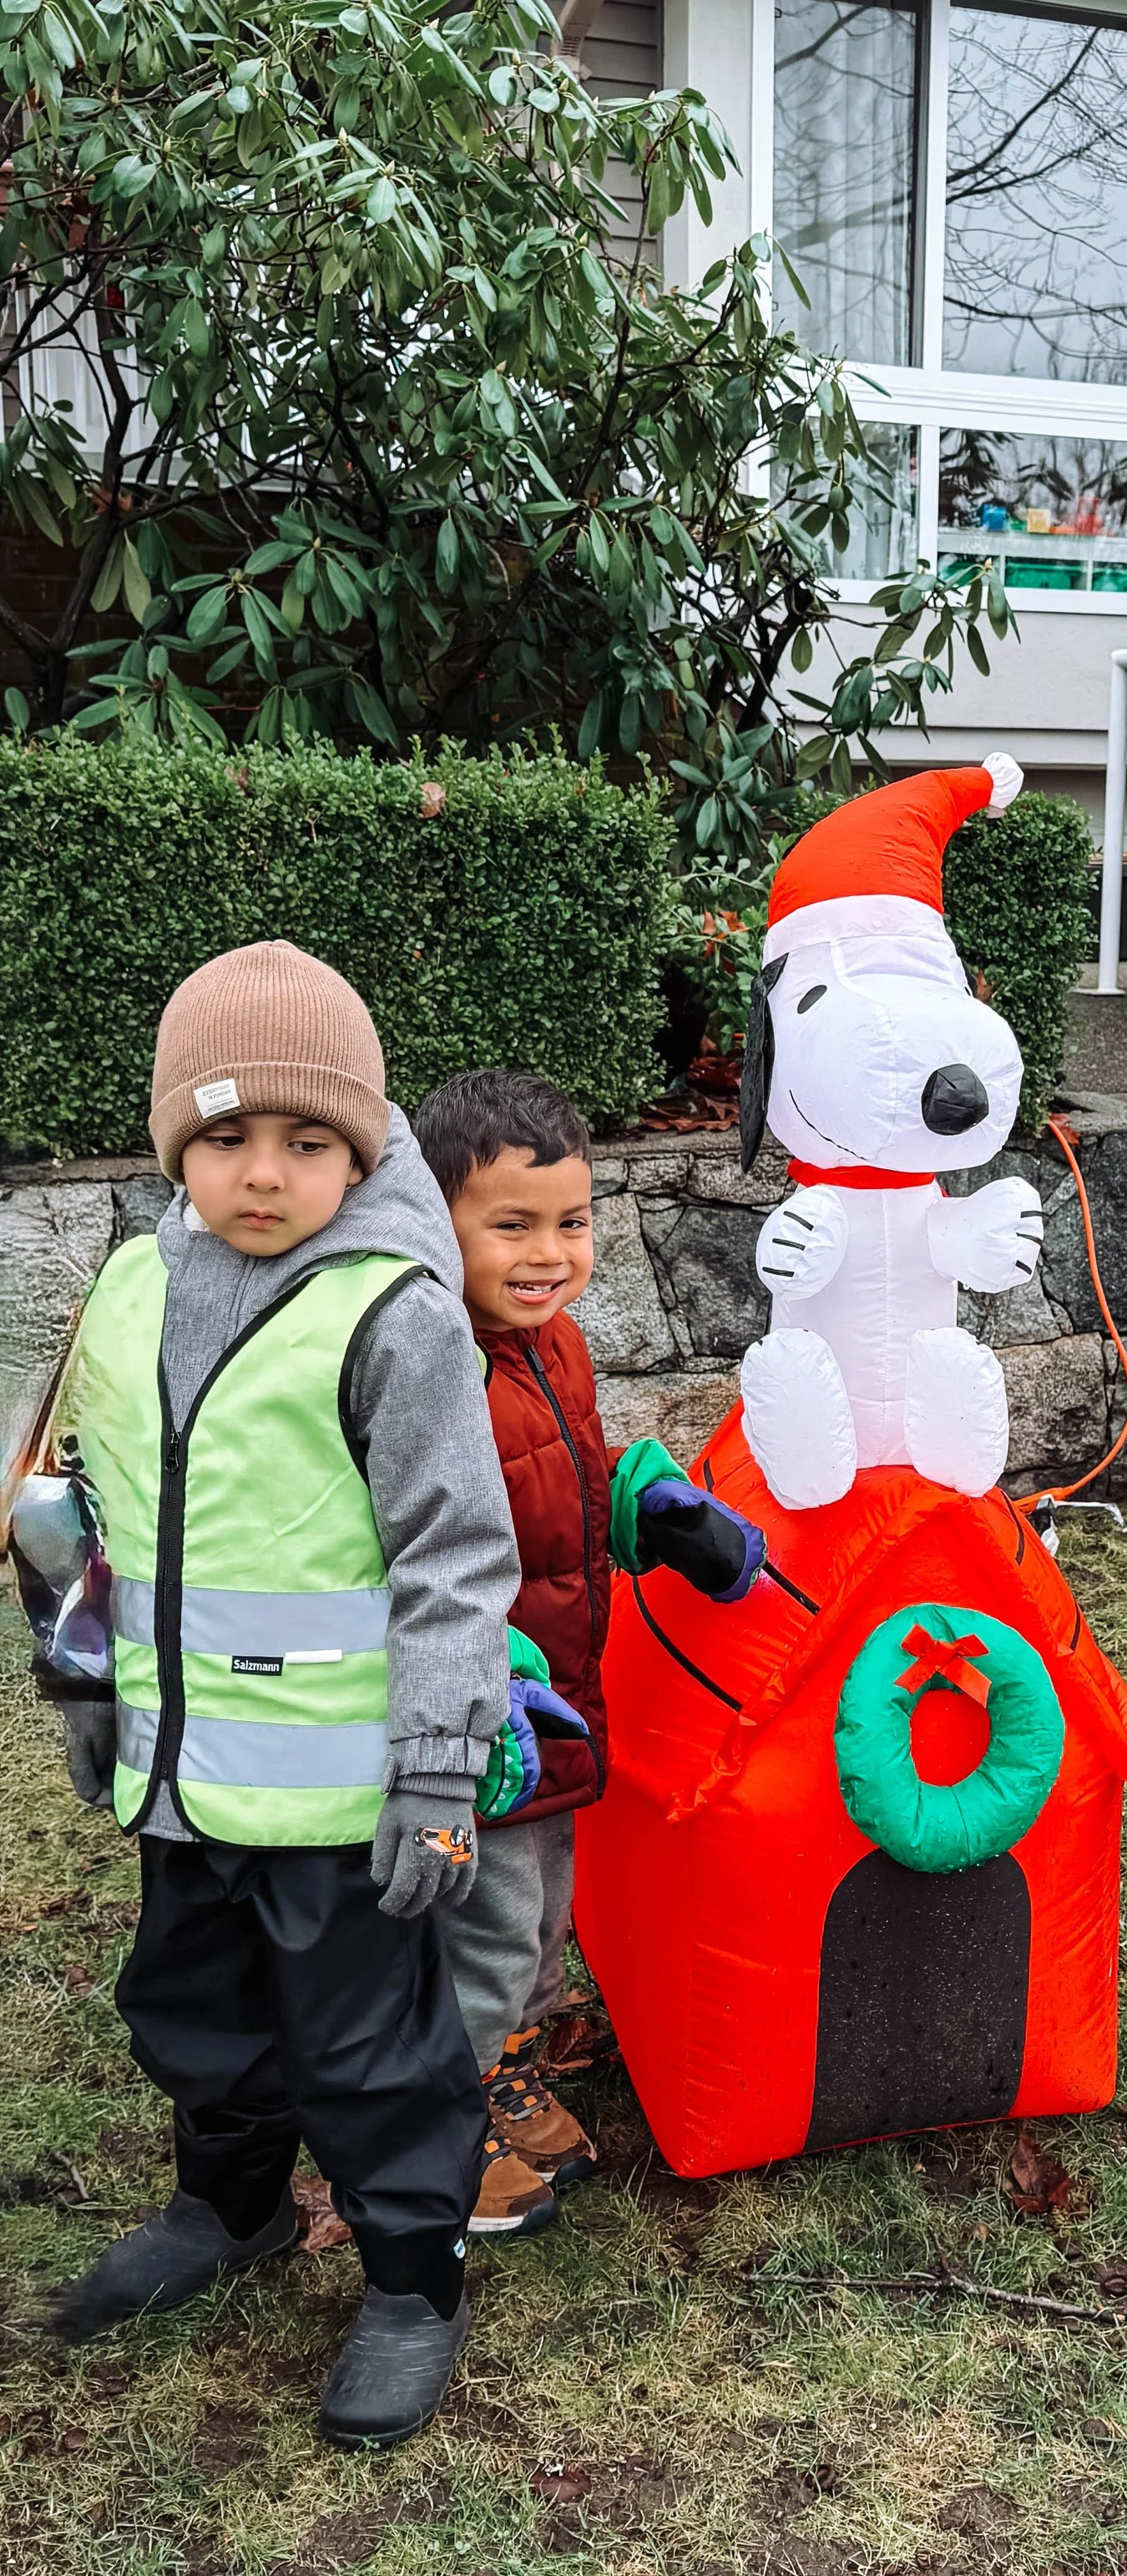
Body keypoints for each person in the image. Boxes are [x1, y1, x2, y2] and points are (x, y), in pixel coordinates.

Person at [39, 941, 518, 2444]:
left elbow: (456, 1554)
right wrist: (84, 1686)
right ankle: (227, 2206)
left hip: (340, 1792)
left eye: (307, 1141)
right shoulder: (129, 1284)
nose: (265, 1173)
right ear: (180, 1140)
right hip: (181, 1776)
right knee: (194, 2010)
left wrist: (438, 1769)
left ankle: (409, 2278)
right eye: (229, 1135)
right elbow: (72, 1506)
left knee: (369, 2049)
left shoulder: (394, 1312)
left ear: (358, 1147)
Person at [415, 1067, 768, 2219]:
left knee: (541, 1904)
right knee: (488, 1918)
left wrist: (652, 1508)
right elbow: (406, 1551)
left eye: (571, 1223)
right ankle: (446, 2126)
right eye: (509, 1225)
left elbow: (563, 1476)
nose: (548, 1252)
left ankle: (510, 2059)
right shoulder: (429, 1369)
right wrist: (490, 1674)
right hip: (482, 1708)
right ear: (434, 1220)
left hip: (565, 1685)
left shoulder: (553, 1345)